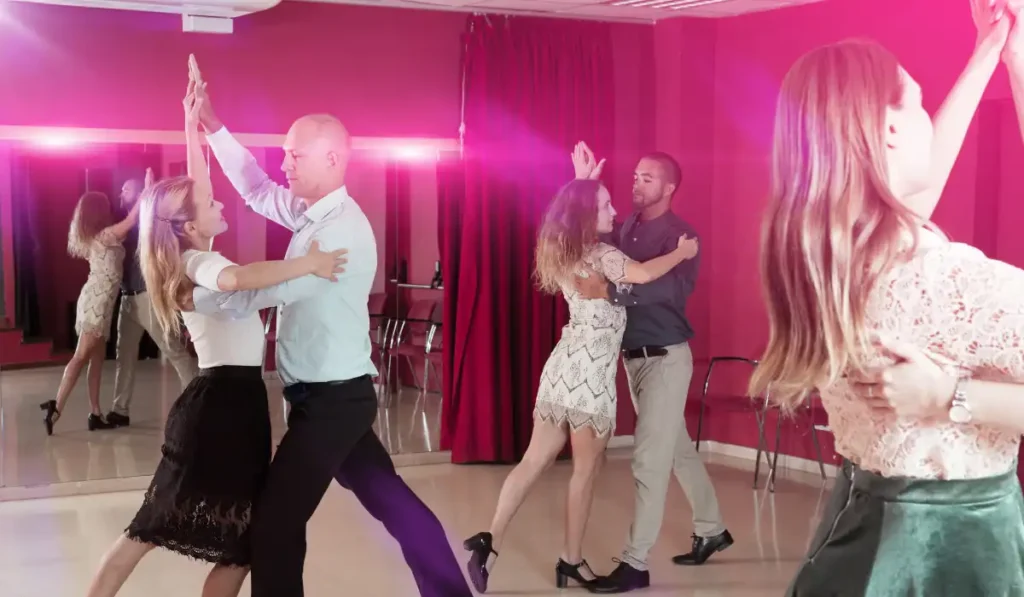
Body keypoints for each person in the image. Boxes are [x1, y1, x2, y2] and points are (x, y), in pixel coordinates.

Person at [748, 1, 1024, 594]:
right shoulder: (945, 281)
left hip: (862, 528)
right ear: (892, 128)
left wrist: (994, 55)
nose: (928, 118)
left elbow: (916, 187)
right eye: (918, 104)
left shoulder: (826, 256)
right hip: (950, 550)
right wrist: (954, 396)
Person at [186, 56, 472, 597]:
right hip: (332, 397)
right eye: (286, 154)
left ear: (333, 158)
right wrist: (214, 125)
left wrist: (202, 294)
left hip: (334, 402)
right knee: (393, 503)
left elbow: (271, 292)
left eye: (295, 155)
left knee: (275, 523)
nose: (285, 163)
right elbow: (254, 189)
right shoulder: (311, 214)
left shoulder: (341, 230)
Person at [85, 74, 347, 597]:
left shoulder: (189, 246)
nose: (220, 201)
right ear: (187, 223)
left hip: (235, 404)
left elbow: (196, 187)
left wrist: (193, 121)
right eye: (208, 202)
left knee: (229, 545)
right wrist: (309, 264)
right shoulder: (199, 259)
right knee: (158, 530)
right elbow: (237, 278)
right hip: (219, 409)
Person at [463, 171, 698, 593]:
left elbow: (575, 213)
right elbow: (643, 275)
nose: (614, 210)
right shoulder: (603, 254)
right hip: (590, 373)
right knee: (585, 472)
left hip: (562, 366)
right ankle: (571, 562)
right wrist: (682, 253)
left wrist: (583, 182)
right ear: (589, 215)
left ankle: (490, 540)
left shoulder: (560, 249)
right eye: (605, 205)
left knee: (533, 461)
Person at [573, 146, 731, 593]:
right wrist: (583, 182)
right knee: (675, 449)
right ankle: (712, 528)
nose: (636, 183)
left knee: (648, 460)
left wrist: (610, 293)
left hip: (665, 357)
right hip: (633, 358)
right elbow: (589, 243)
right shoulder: (624, 227)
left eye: (647, 178)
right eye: (636, 177)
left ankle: (636, 562)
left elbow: (668, 293)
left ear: (669, 187)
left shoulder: (683, 236)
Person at [40, 184, 141, 434]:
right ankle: (56, 406)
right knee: (82, 356)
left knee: (96, 359)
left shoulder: (103, 235)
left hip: (102, 301)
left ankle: (95, 413)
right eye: (105, 205)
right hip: (97, 302)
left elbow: (129, 223)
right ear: (98, 211)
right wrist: (146, 191)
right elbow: (132, 220)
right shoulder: (105, 236)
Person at [107, 176, 197, 428]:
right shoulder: (121, 223)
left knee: (174, 351)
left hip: (147, 296)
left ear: (140, 196)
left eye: (127, 189)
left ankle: (197, 402)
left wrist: (146, 191)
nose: (121, 192)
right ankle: (119, 410)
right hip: (127, 298)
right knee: (123, 355)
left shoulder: (146, 220)